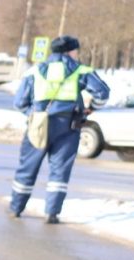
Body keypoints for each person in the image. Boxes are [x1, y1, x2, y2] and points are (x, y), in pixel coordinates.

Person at [9, 35, 110, 224]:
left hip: (38, 125)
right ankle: (52, 213)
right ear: (69, 51)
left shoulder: (35, 70)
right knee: (60, 170)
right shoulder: (80, 70)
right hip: (68, 126)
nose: (77, 54)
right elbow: (103, 93)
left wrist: (34, 113)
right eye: (76, 50)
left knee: (27, 167)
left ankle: (16, 208)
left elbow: (19, 103)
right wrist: (91, 108)